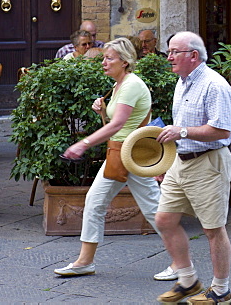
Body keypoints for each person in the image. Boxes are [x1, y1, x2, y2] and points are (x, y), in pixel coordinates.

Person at [53, 38, 172, 279]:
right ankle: (84, 262)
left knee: (153, 209)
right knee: (96, 202)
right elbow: (119, 125)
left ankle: (182, 262)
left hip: (133, 156)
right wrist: (101, 112)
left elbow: (119, 124)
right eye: (104, 57)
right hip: (121, 154)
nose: (104, 62)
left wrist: (84, 143)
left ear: (125, 62)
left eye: (109, 58)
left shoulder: (131, 85)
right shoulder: (119, 85)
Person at [154, 31, 231, 305]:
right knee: (164, 220)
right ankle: (188, 280)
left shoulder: (215, 85)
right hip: (181, 161)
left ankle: (221, 291)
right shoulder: (182, 81)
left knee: (213, 229)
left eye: (175, 51)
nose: (169, 56)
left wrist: (183, 132)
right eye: (169, 51)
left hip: (209, 162)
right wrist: (167, 159)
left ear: (193, 56)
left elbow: (221, 130)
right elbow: (180, 130)